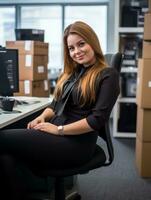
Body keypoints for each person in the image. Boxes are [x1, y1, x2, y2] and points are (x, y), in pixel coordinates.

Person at [0, 21, 120, 199]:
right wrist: (42, 117)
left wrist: (58, 130)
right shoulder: (75, 72)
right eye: (71, 48)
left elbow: (97, 120)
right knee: (5, 157)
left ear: (92, 42)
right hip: (56, 135)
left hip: (76, 144)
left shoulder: (107, 75)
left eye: (81, 44)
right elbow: (55, 105)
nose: (76, 51)